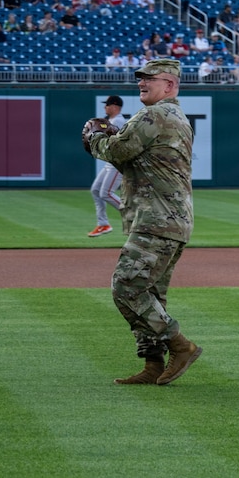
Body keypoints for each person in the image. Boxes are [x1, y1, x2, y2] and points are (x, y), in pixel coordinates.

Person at [84, 59, 201, 386]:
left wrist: (94, 138)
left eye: (150, 78)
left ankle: (180, 345)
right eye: (140, 78)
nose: (142, 83)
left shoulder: (156, 114)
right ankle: (152, 364)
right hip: (169, 219)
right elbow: (136, 155)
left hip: (158, 219)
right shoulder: (176, 116)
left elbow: (119, 150)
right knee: (150, 294)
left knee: (126, 285)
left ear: (170, 86)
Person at [87, 96, 128, 237]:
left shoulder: (118, 121)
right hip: (110, 162)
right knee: (96, 190)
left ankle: (132, 214)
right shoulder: (110, 121)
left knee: (106, 193)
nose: (105, 107)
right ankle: (103, 224)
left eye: (108, 105)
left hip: (117, 163)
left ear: (115, 106)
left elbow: (118, 144)